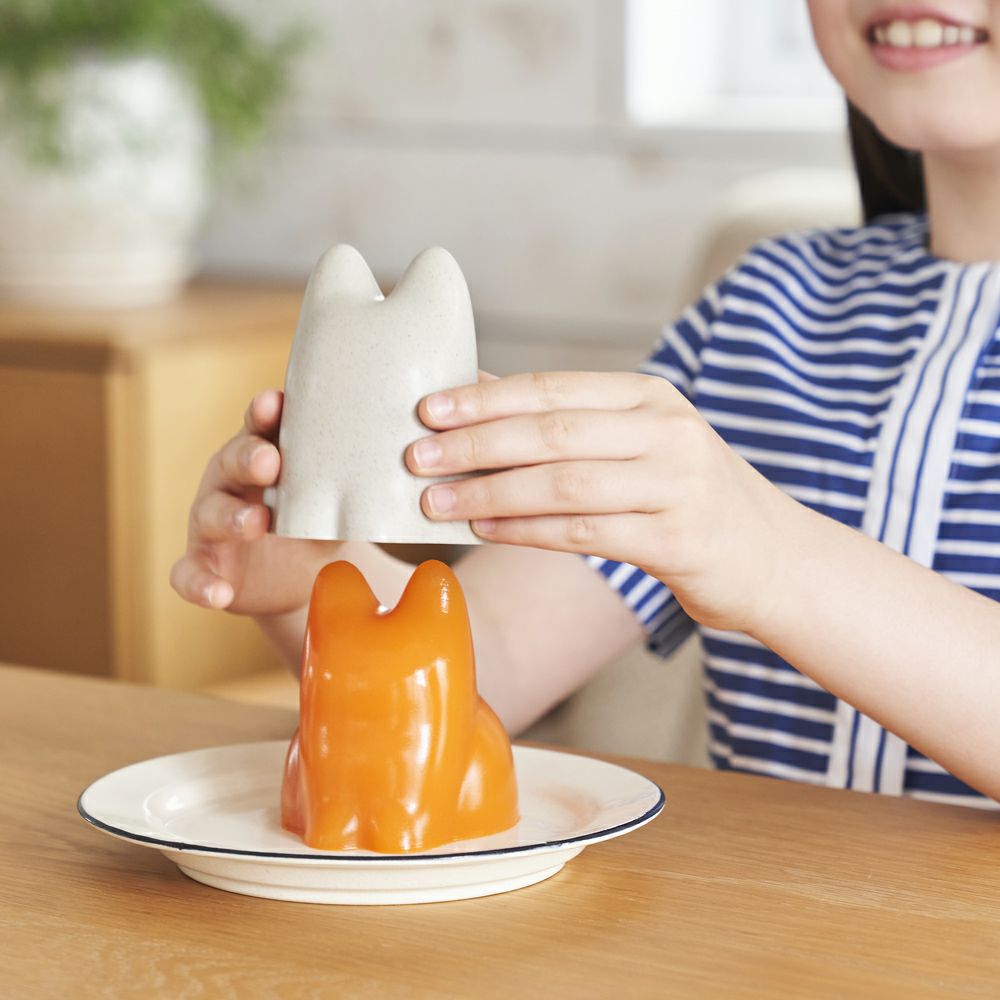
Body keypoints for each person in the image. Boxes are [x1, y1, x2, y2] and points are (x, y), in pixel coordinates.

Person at [172, 1, 1000, 809]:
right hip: (763, 906)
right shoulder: (762, 309)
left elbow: (758, 547)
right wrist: (312, 582)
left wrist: (768, 552)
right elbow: (492, 658)